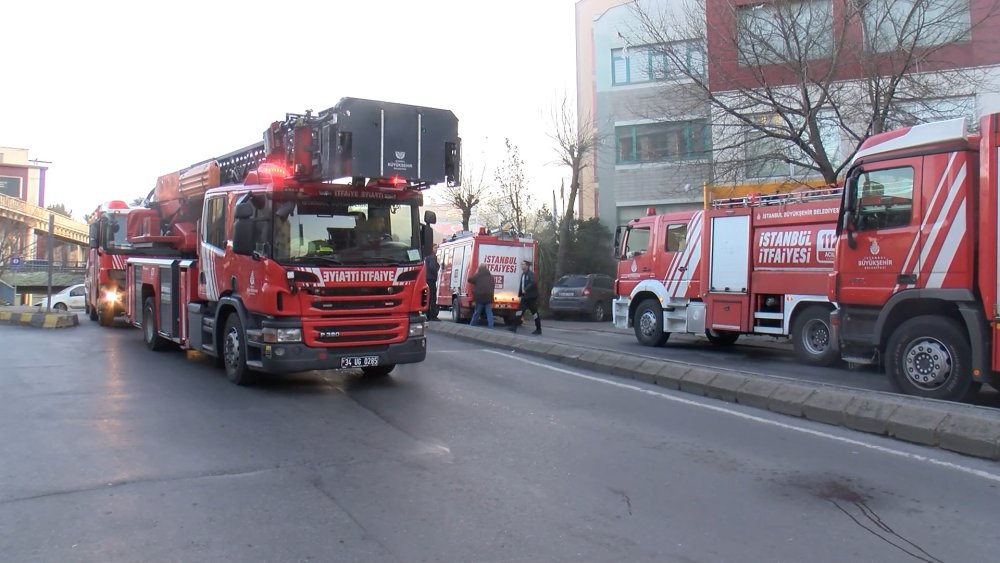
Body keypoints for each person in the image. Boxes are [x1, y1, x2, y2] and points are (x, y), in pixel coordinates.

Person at [508, 259, 540, 335]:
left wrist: (526, 289)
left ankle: (538, 329)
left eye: (523, 264)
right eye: (521, 264)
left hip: (531, 297)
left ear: (527, 266)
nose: (522, 266)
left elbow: (533, 282)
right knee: (519, 311)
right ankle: (514, 326)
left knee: (534, 313)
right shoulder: (523, 274)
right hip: (525, 297)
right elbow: (521, 285)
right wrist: (520, 294)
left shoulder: (530, 274)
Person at [468, 264, 495, 329]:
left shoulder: (478, 276)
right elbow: (493, 285)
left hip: (480, 297)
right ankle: (491, 326)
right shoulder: (491, 276)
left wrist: (476, 273)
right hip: (489, 296)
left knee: (477, 312)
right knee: (489, 312)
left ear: (479, 269)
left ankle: (472, 324)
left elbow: (469, 280)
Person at [425, 245, 440, 321]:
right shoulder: (432, 256)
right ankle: (433, 316)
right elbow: (433, 267)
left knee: (428, 297)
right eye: (435, 248)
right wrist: (436, 273)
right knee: (433, 297)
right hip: (431, 279)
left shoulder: (426, 256)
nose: (436, 249)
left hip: (426, 279)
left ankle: (427, 314)